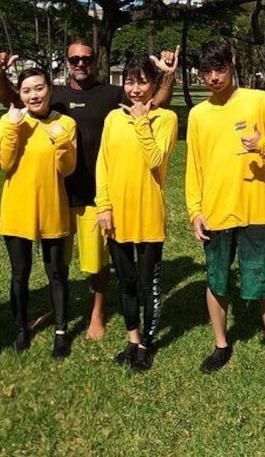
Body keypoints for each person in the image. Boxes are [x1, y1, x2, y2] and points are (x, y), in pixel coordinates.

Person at [0, 40, 179, 340]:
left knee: (96, 264)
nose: (81, 64)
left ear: (95, 60)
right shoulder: (55, 95)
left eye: (86, 59)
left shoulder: (112, 94)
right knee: (58, 265)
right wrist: (0, 74)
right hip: (59, 195)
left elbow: (152, 104)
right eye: (74, 59)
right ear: (66, 62)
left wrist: (168, 75)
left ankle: (96, 313)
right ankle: (61, 311)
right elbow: (15, 101)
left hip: (96, 195)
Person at [185, 40, 265, 384]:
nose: (214, 78)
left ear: (232, 65)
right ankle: (221, 344)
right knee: (217, 280)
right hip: (216, 211)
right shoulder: (198, 114)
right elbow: (194, 167)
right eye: (207, 72)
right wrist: (195, 211)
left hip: (255, 209)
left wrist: (262, 146)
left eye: (220, 69)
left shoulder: (258, 100)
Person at [95, 56, 178, 371]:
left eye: (142, 81)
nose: (135, 89)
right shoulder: (113, 119)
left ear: (154, 84)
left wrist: (143, 120)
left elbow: (156, 160)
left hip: (148, 213)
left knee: (148, 284)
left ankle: (148, 343)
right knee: (126, 282)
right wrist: (104, 206)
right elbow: (103, 165)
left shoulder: (167, 119)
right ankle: (132, 338)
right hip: (116, 215)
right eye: (130, 82)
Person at [0, 68, 77, 358]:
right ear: (20, 94)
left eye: (39, 88)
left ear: (50, 90)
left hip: (52, 208)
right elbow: (4, 163)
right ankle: (21, 327)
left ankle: (60, 331)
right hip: (17, 210)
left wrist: (62, 142)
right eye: (27, 90)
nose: (34, 95)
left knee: (57, 272)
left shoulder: (65, 123)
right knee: (20, 274)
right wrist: (11, 128)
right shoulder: (12, 121)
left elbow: (66, 168)